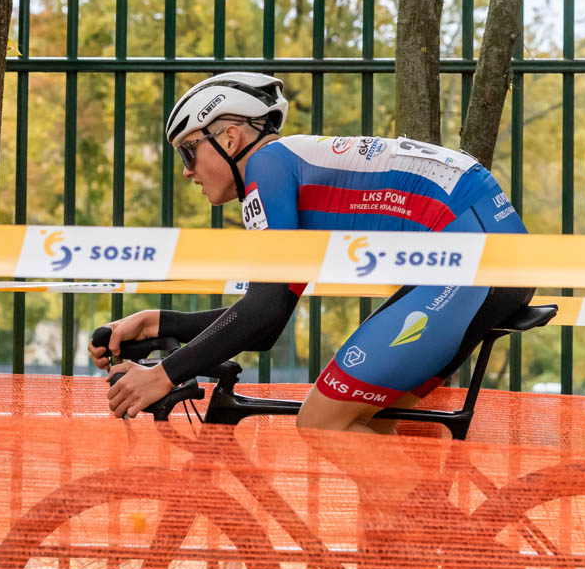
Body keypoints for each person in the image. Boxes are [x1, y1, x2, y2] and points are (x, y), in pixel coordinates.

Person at [94, 70, 533, 432]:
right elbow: (266, 323)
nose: (187, 172)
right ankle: (422, 516)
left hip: (469, 264)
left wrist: (163, 374)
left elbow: (263, 311)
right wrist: (159, 322)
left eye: (188, 153)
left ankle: (418, 517)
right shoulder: (291, 172)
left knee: (322, 422)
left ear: (228, 139)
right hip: (480, 261)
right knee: (371, 421)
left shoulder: (267, 166)